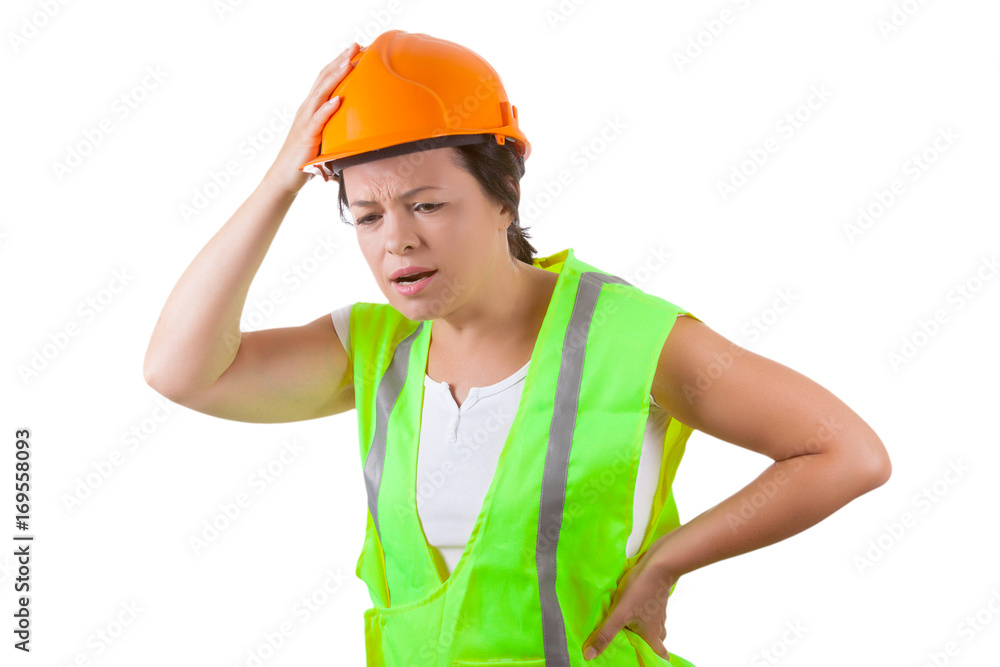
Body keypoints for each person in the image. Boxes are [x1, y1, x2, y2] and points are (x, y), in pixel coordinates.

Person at [143, 30, 891, 666]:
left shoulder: (626, 335)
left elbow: (843, 452)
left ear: (505, 197)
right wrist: (280, 180)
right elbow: (179, 370)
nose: (398, 237)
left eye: (428, 204)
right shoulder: (373, 350)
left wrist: (667, 560)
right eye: (366, 215)